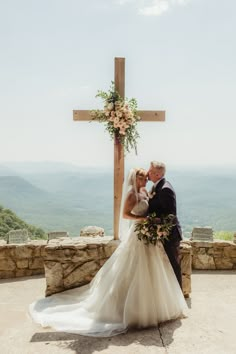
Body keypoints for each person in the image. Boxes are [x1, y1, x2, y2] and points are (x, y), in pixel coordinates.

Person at [29, 168, 187, 337]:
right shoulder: (131, 194)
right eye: (142, 176)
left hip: (146, 235)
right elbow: (126, 215)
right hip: (138, 233)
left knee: (153, 269)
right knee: (133, 269)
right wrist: (141, 219)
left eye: (145, 176)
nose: (145, 178)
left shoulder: (145, 191)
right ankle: (130, 309)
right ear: (135, 179)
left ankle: (155, 306)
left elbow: (153, 208)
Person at [148, 161, 183, 288]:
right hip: (160, 234)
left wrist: (152, 222)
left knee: (173, 266)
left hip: (169, 235)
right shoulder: (157, 187)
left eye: (150, 171)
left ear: (157, 174)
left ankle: (178, 299)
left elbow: (170, 216)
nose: (148, 173)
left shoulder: (165, 189)